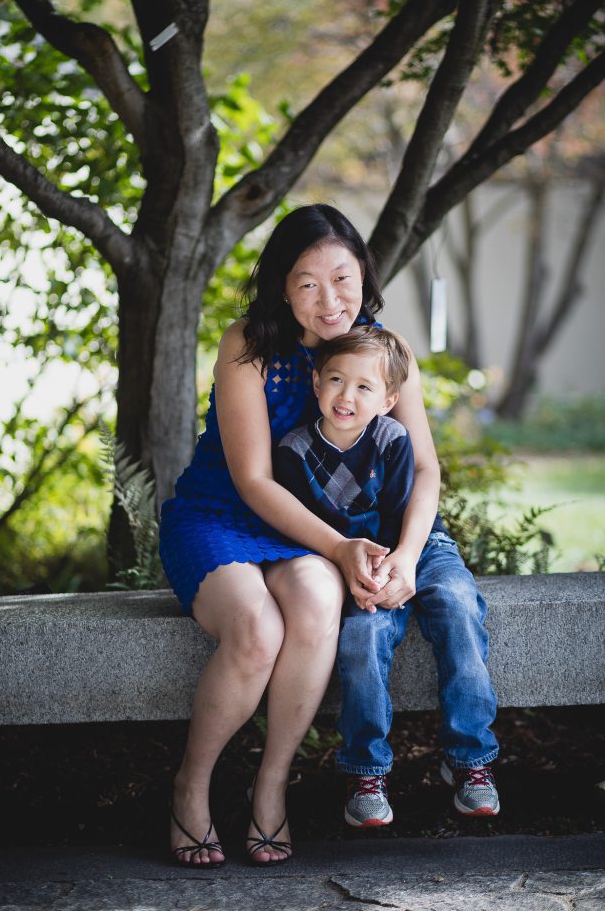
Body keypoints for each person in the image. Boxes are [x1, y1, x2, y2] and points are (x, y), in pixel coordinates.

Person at [159, 203, 442, 866]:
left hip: (310, 537)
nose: (328, 299)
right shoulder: (249, 343)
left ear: (363, 275)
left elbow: (425, 466)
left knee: (316, 601)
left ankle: (270, 787)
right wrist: (339, 546)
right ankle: (189, 787)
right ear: (281, 287)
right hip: (222, 517)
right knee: (256, 631)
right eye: (307, 282)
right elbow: (253, 480)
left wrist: (402, 554)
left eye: (342, 278)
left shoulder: (383, 353)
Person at [274, 326, 500, 827]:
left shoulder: (392, 439)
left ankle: (470, 762)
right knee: (362, 635)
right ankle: (366, 772)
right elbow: (306, 529)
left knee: (460, 608)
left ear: (389, 399)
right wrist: (365, 572)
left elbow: (401, 518)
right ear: (315, 382)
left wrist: (401, 562)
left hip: (418, 546)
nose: (346, 396)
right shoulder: (292, 452)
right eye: (335, 379)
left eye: (364, 387)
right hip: (352, 562)